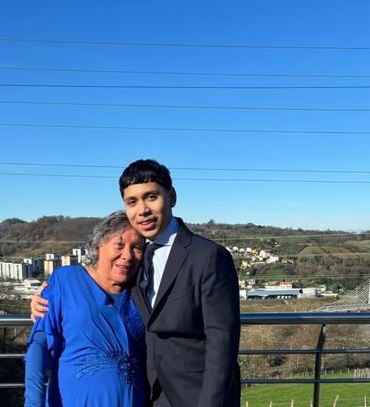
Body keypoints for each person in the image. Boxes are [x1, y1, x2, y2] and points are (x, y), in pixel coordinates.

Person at [32, 159, 241, 406]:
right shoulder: (134, 262)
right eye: (132, 201)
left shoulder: (208, 256)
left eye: (151, 197)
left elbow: (222, 344)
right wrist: (44, 300)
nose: (142, 210)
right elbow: (99, 289)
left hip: (196, 396)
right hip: (148, 396)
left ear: (171, 197)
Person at [24, 211, 146, 407]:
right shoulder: (66, 280)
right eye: (119, 245)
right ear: (98, 246)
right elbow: (38, 346)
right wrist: (33, 403)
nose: (127, 256)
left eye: (137, 248)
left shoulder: (141, 294)